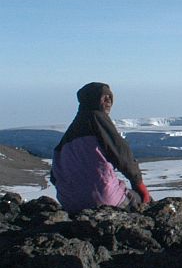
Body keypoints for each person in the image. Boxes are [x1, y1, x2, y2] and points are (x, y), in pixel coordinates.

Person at [51, 82, 153, 214]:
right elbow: (123, 156)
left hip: (69, 203)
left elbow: (54, 176)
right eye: (104, 97)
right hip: (105, 199)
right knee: (144, 202)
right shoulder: (98, 120)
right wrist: (139, 184)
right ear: (94, 100)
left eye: (109, 97)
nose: (108, 100)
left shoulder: (68, 136)